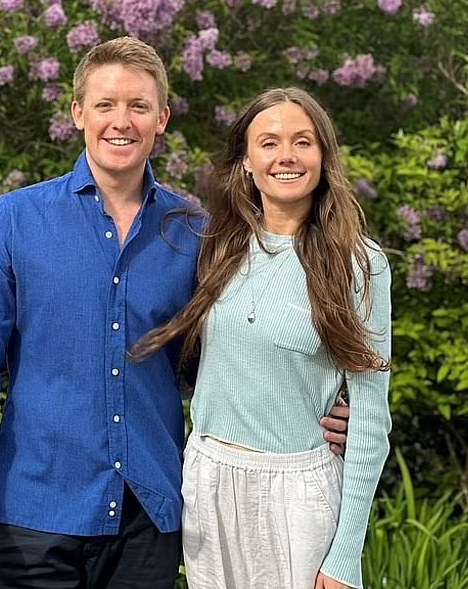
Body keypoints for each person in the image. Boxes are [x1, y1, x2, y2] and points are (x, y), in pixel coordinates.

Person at [0, 37, 349, 589]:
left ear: (162, 119)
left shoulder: (196, 230)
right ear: (78, 112)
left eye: (138, 106)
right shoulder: (14, 221)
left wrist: (321, 406)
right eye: (105, 104)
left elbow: (232, 353)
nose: (120, 121)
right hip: (31, 514)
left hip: (147, 520)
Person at [132, 87, 392, 589]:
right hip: (208, 484)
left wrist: (344, 556)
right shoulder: (213, 250)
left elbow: (370, 423)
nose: (286, 156)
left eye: (303, 141)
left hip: (299, 496)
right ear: (247, 162)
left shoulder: (360, 265)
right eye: (268, 142)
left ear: (323, 157)